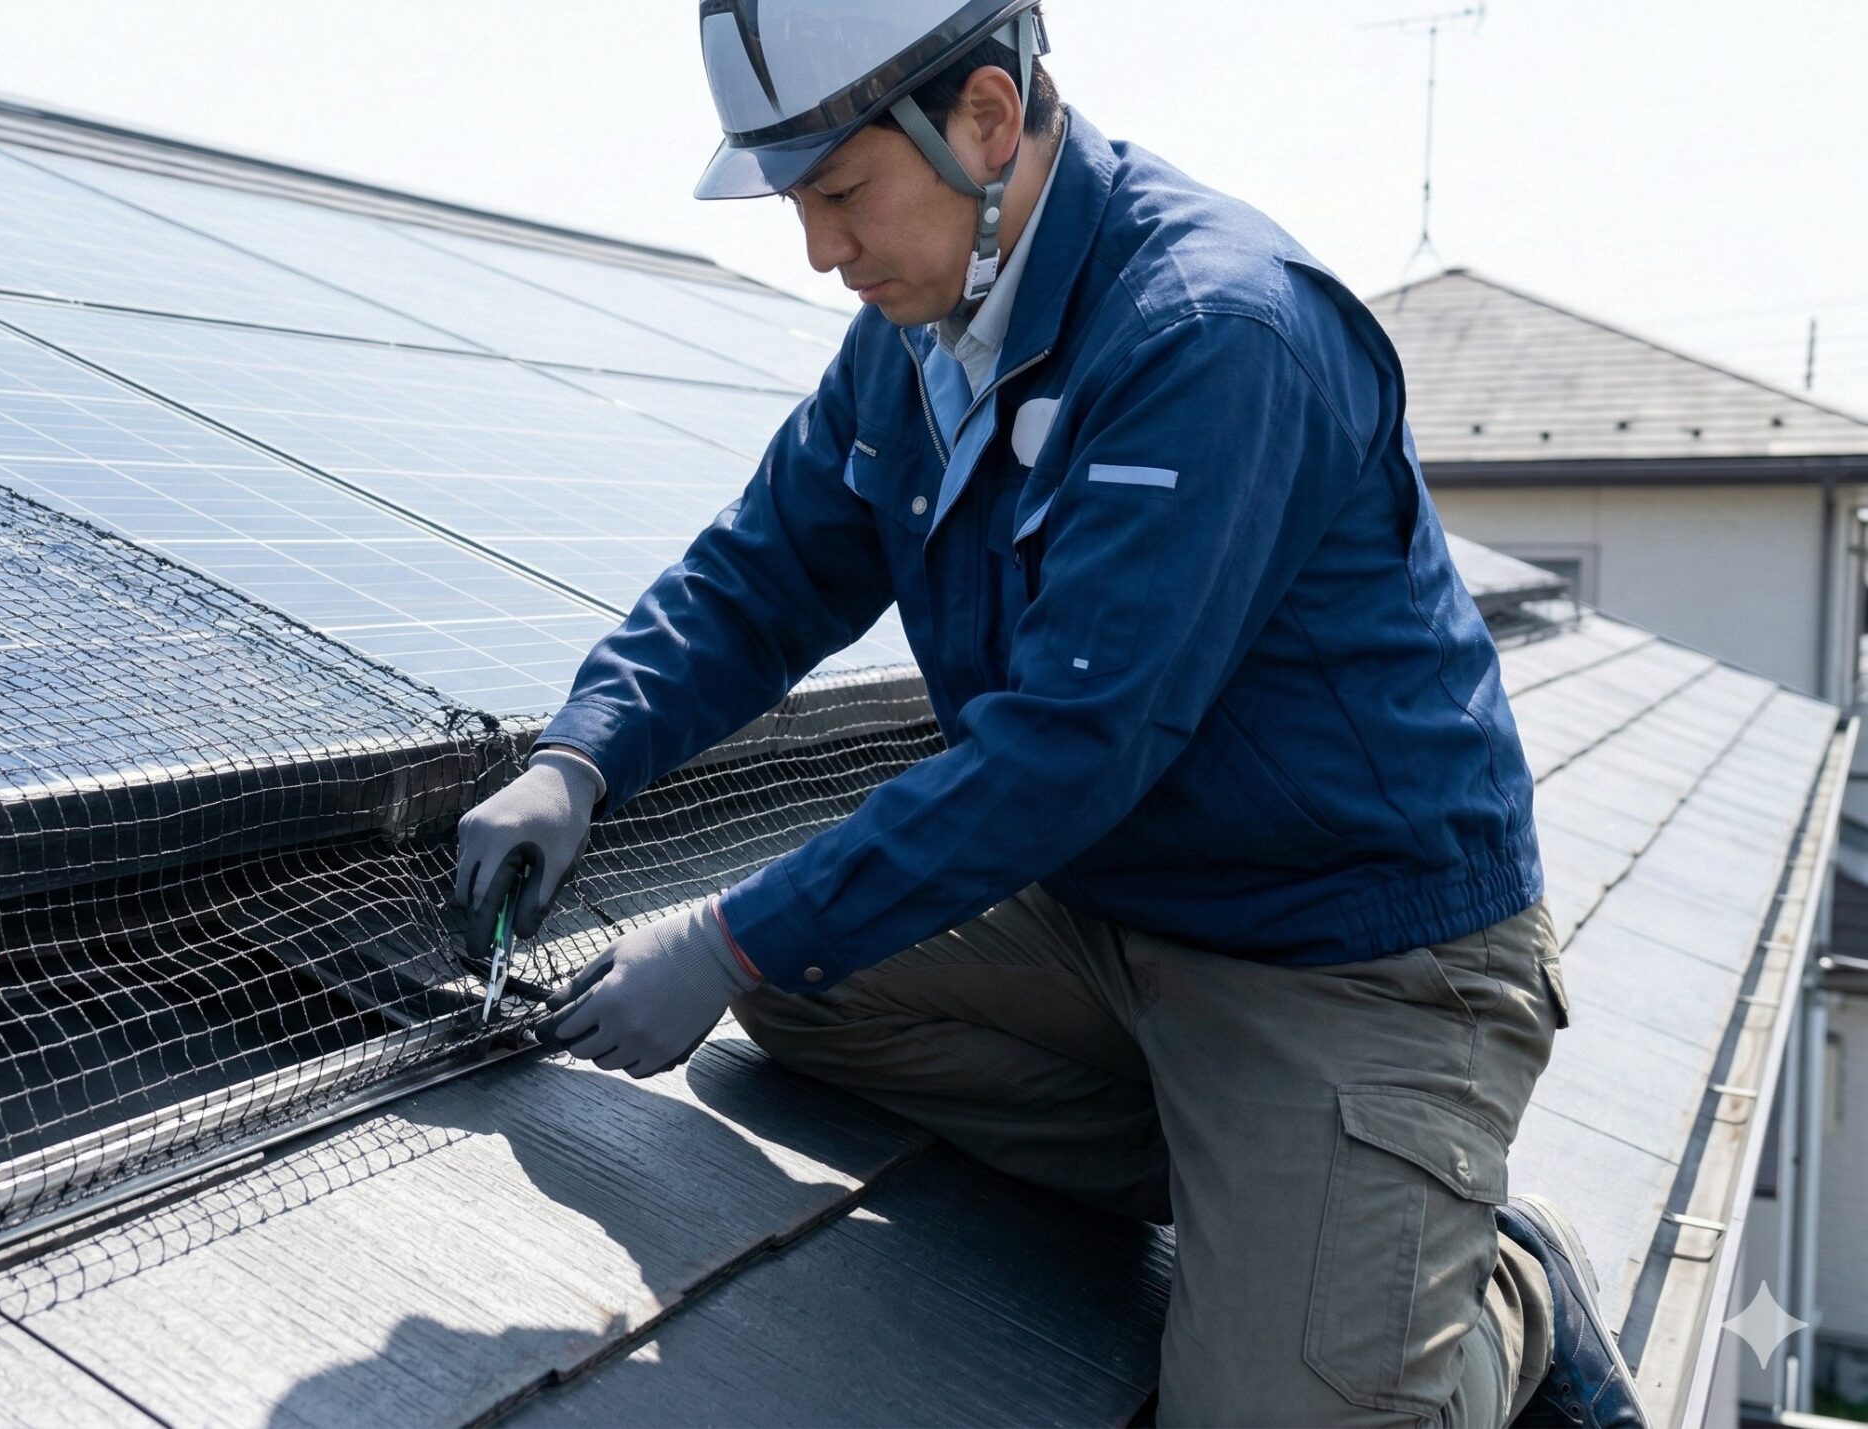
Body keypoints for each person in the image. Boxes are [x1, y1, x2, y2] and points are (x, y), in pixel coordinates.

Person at [451, 3, 1647, 1424]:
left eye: (841, 191)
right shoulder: (925, 331)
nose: (819, 249)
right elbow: (761, 575)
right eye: (796, 201)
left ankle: (1497, 1287)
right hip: (1114, 912)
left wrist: (722, 933)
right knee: (795, 982)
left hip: (1352, 956)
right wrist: (583, 754)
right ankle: (1272, 1181)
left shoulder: (1213, 333)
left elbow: (1068, 748)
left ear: (986, 121)